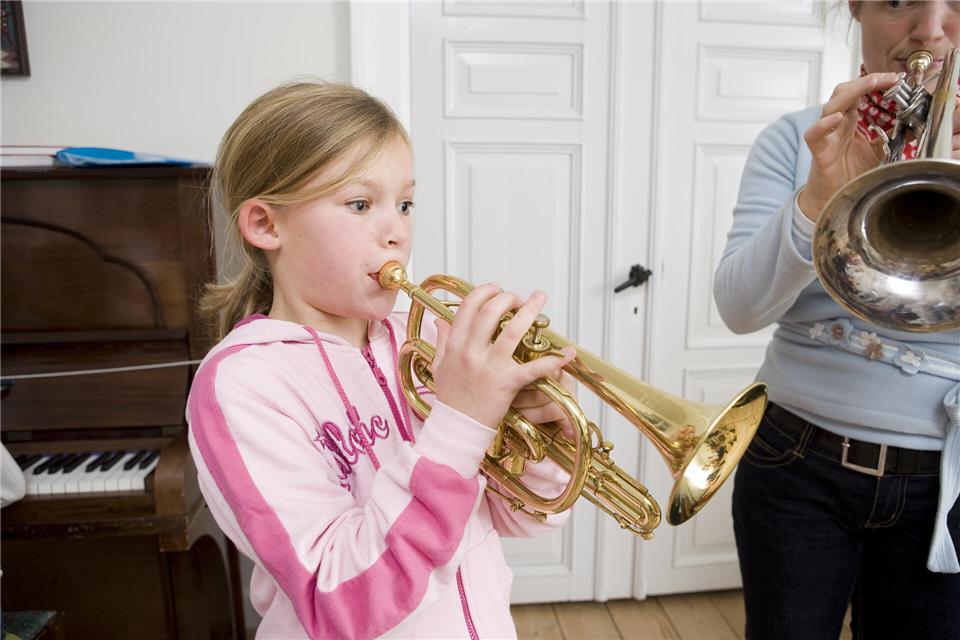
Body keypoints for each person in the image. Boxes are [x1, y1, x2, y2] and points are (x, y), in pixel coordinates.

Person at [186, 81, 577, 639]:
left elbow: (523, 518)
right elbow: (341, 602)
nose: (396, 231)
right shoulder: (243, 385)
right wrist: (462, 421)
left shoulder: (421, 344)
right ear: (267, 225)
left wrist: (534, 433)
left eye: (406, 203)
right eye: (360, 204)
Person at [714, 2, 960, 639]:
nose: (930, 30)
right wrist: (819, 199)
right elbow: (739, 308)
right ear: (855, 7)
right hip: (794, 463)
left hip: (946, 483)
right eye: (899, 0)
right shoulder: (798, 138)